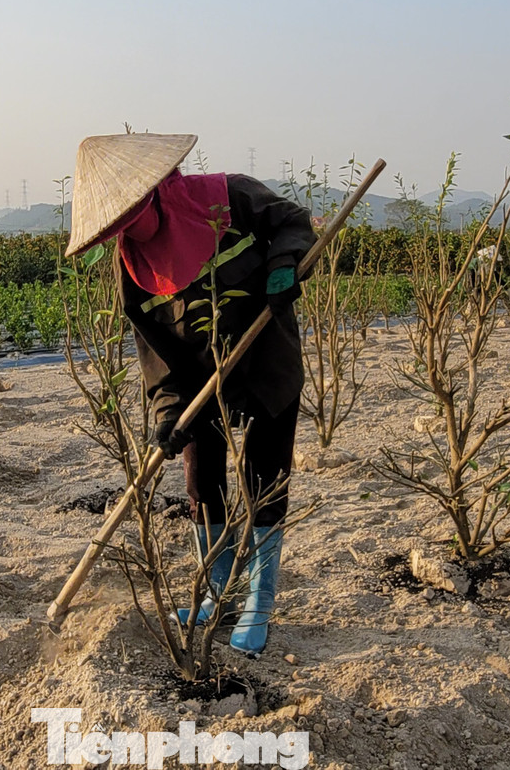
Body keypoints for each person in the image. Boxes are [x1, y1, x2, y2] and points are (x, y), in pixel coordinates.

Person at [65, 133, 315, 655]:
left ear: (156, 190)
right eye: (116, 227)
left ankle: (259, 601)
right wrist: (169, 410)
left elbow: (292, 222)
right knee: (201, 481)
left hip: (266, 356)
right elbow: (156, 351)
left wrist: (283, 265)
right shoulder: (132, 265)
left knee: (264, 477)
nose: (128, 232)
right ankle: (219, 593)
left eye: (131, 215)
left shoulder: (230, 196)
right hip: (201, 382)